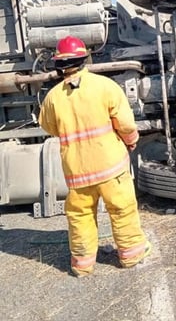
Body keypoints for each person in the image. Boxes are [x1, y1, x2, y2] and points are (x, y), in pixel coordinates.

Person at [39, 35, 151, 277]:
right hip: (111, 167)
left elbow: (49, 126)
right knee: (122, 210)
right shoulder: (105, 87)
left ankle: (82, 266)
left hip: (77, 172)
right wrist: (131, 142)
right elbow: (126, 124)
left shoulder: (53, 98)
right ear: (84, 58)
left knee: (80, 217)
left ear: (59, 64)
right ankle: (131, 256)